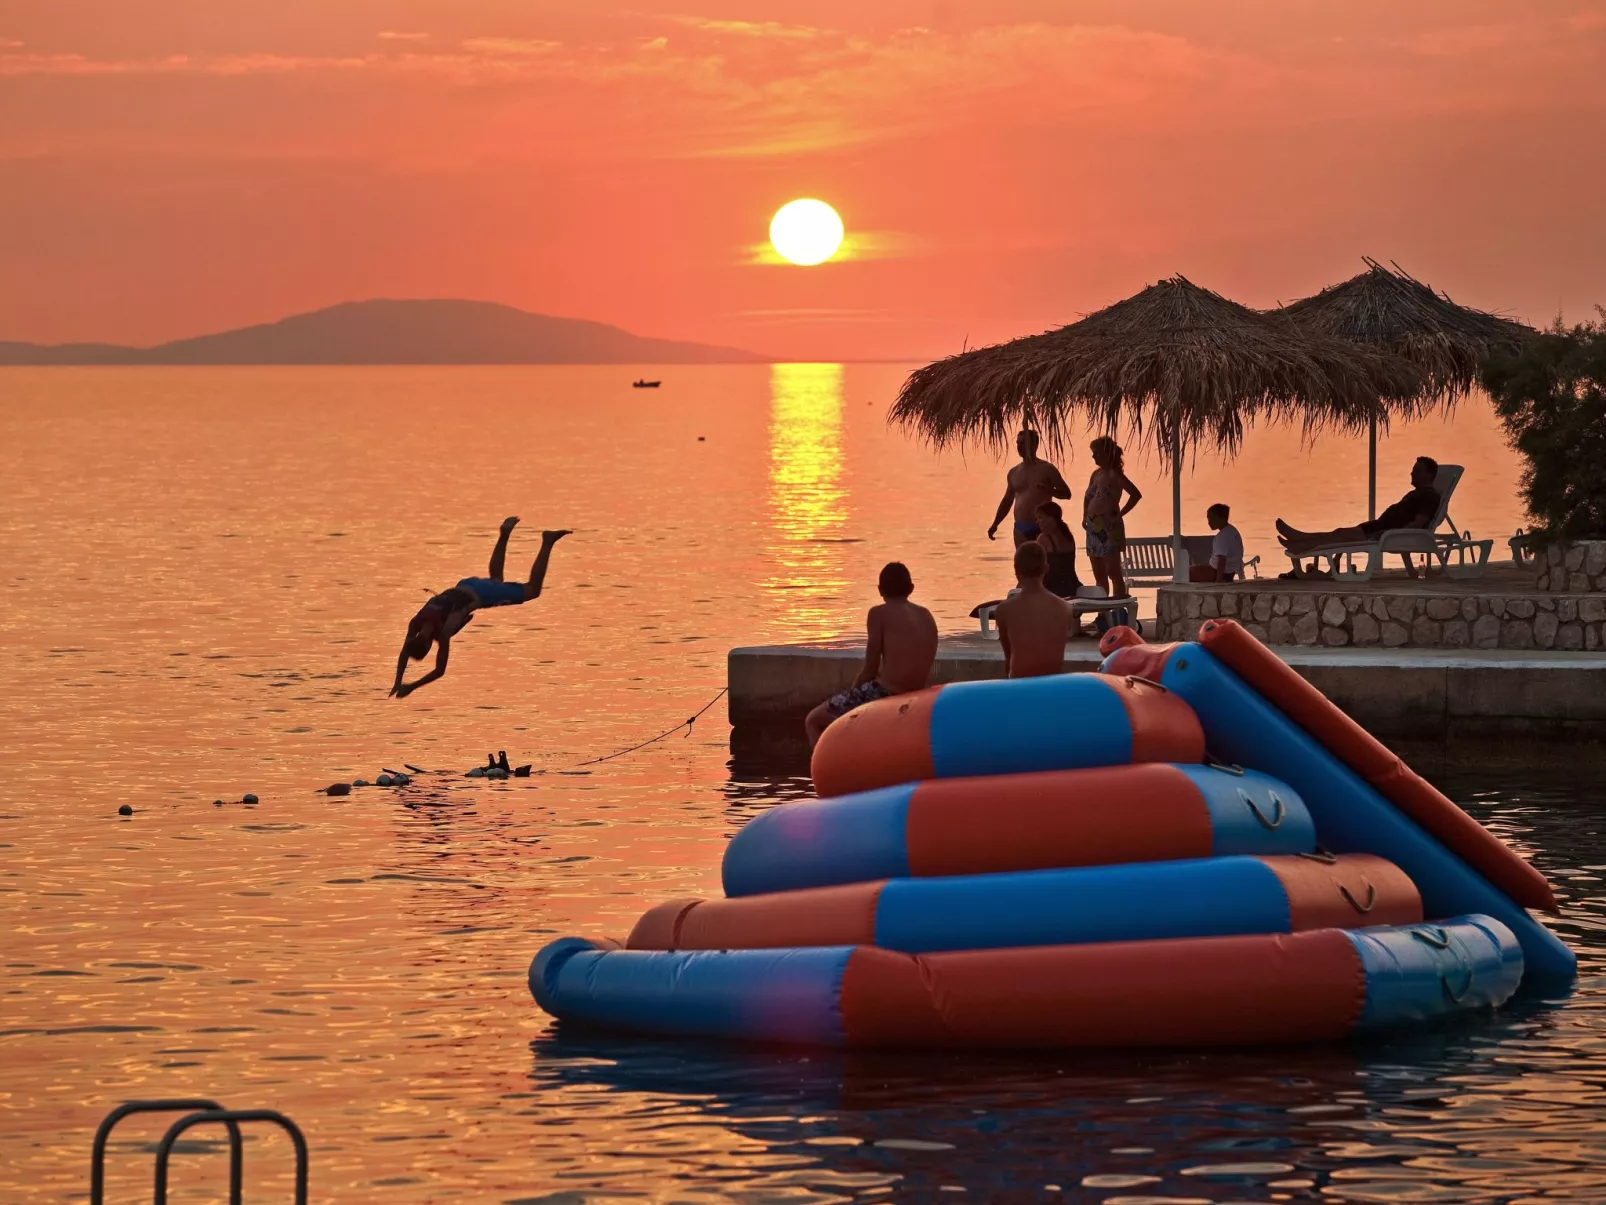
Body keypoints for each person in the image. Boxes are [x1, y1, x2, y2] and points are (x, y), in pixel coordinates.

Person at [391, 517, 570, 699]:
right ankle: (505, 533)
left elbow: (439, 671)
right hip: (464, 584)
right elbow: (405, 650)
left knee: (533, 590)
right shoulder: (415, 622)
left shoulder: (442, 633)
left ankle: (547, 542)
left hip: (481, 594)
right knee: (496, 580)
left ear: (429, 645)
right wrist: (397, 681)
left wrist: (412, 686)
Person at [805, 562, 938, 748]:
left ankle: (823, 773)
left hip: (887, 692)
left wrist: (853, 693)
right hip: (918, 694)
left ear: (880, 590)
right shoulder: (926, 615)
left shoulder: (878, 613)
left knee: (813, 720)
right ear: (911, 588)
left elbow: (870, 669)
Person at [1277, 457, 1440, 560]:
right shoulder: (1416, 494)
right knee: (1339, 532)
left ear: (1429, 475)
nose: (1412, 473)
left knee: (1341, 537)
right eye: (1413, 470)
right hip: (1380, 528)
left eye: (1417, 471)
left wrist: (1389, 534)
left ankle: (1300, 543)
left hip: (1387, 534)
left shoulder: (1429, 497)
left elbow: (1418, 524)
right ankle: (1299, 538)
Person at [994, 542, 1073, 678]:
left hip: (1020, 685)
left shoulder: (1004, 610)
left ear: (1016, 570)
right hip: (1053, 685)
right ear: (1046, 568)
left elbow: (1009, 659)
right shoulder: (1065, 607)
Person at [988, 429, 1072, 547]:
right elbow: (1007, 501)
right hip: (1020, 527)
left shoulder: (1047, 469)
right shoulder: (1014, 472)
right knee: (1023, 563)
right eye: (1018, 443)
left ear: (1035, 445)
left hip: (1042, 526)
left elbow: (1067, 494)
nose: (1019, 446)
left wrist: (1049, 490)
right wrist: (995, 523)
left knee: (1044, 562)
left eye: (1023, 443)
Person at [1083, 436, 1141, 600]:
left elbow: (1136, 495)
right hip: (1093, 525)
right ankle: (1103, 611)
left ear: (1106, 454)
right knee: (1098, 572)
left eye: (1096, 453)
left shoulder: (1115, 475)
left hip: (1109, 526)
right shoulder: (1096, 474)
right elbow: (1087, 497)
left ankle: (1118, 609)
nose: (1093, 456)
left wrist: (1119, 514)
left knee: (1113, 571)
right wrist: (1084, 516)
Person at [1206, 503, 1245, 581]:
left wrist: (1218, 581)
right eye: (1208, 519)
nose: (1209, 522)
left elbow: (1221, 561)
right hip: (1230, 572)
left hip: (1216, 572)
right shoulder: (1232, 530)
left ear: (1222, 519)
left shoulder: (1222, 536)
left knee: (1188, 573)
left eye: (1212, 519)